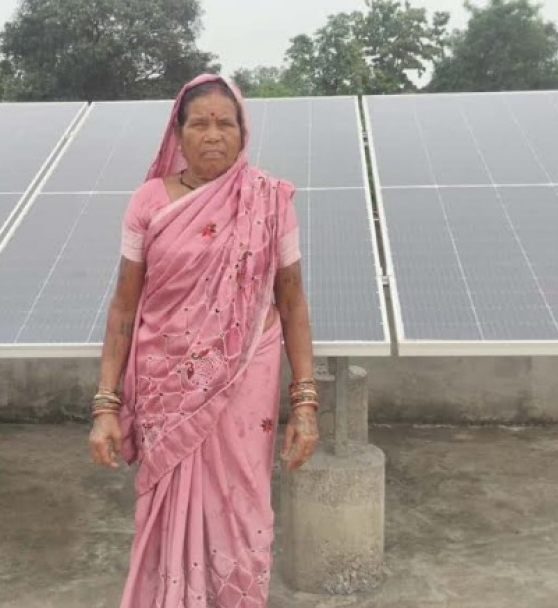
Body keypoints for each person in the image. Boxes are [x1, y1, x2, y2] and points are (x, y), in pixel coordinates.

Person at [88, 73, 320, 607]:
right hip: (167, 384)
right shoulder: (149, 202)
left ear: (243, 132)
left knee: (242, 504)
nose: (213, 134)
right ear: (178, 134)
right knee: (170, 507)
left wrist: (305, 402)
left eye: (225, 123)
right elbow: (124, 305)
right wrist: (105, 405)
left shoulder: (268, 200)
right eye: (199, 123)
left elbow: (292, 302)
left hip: (246, 377)